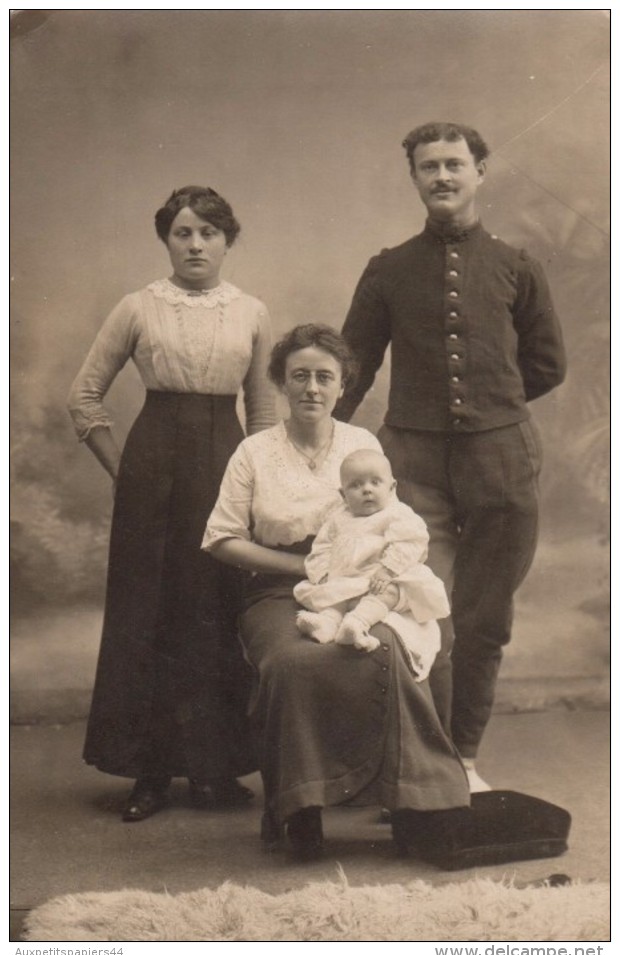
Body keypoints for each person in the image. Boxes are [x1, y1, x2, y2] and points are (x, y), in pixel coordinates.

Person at [334, 122, 567, 793]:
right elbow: (353, 367)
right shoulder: (388, 269)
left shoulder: (518, 266)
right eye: (428, 166)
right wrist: (324, 447)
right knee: (413, 611)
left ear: (481, 171)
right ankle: (419, 761)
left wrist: (492, 409)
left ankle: (462, 756)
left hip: (503, 466)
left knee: (485, 618)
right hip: (411, 468)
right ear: (414, 178)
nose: (441, 176)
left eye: (454, 164)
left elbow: (547, 364)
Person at [203, 324, 470, 860]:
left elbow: (394, 519)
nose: (311, 388)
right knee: (291, 660)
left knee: (394, 650)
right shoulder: (253, 452)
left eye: (324, 377)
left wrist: (380, 579)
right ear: (280, 383)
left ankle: (410, 800)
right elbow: (220, 540)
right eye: (299, 376)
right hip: (279, 590)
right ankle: (301, 808)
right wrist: (301, 564)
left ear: (342, 385)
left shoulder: (361, 444)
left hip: (365, 582)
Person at [67, 185, 276, 821]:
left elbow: (263, 411)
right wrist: (125, 471)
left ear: (226, 241)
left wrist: (262, 487)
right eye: (183, 233)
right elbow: (84, 398)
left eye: (208, 233)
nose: (195, 245)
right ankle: (149, 774)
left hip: (225, 467)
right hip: (152, 470)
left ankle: (214, 772)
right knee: (149, 614)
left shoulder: (252, 312)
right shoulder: (137, 308)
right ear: (166, 239)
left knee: (215, 612)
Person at [294, 448, 450, 678]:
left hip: (385, 576)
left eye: (375, 482)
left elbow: (409, 542)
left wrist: (387, 570)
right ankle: (327, 623)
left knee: (390, 592)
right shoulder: (338, 519)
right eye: (355, 485)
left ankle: (357, 623)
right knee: (332, 594)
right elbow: (321, 549)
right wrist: (323, 575)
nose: (366, 489)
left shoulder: (397, 514)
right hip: (347, 579)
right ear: (342, 494)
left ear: (392, 487)